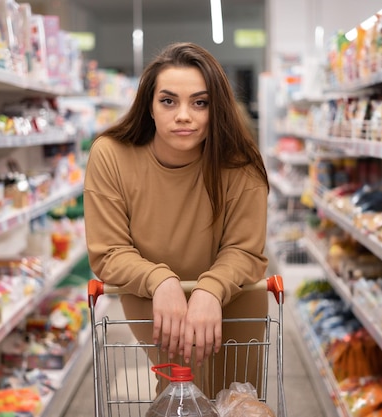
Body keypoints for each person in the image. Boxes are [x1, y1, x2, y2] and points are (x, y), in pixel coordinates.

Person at [84, 42, 270, 397]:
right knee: (178, 394)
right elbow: (109, 251)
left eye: (200, 103)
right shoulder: (111, 156)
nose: (183, 115)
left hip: (234, 297)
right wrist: (161, 280)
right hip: (151, 297)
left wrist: (211, 288)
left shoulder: (239, 161)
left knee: (236, 398)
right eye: (168, 101)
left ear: (216, 110)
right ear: (149, 107)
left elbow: (244, 249)